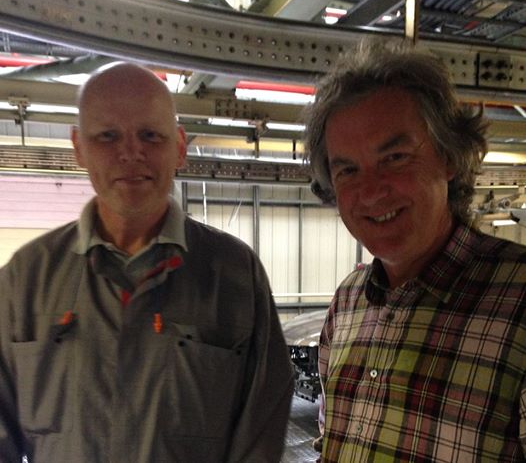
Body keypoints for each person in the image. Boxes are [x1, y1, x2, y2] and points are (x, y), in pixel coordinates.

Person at [0, 63, 294, 462]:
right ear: (79, 147)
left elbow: (260, 436)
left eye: (150, 135)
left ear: (180, 147)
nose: (130, 153)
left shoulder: (236, 276)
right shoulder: (24, 280)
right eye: (107, 136)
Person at [304, 38, 526, 462]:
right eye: (347, 170)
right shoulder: (347, 303)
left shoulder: (519, 299)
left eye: (395, 157)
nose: (371, 192)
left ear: (449, 156)